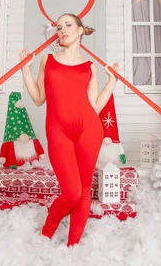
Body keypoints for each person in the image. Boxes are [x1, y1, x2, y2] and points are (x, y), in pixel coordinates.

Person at [20, 13, 118, 247]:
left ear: (80, 30)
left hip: (88, 130)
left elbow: (94, 107)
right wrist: (25, 70)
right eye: (58, 27)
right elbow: (38, 99)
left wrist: (112, 82)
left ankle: (72, 247)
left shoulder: (90, 67)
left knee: (83, 192)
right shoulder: (48, 60)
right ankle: (46, 235)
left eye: (68, 25)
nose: (62, 30)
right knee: (72, 192)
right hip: (58, 130)